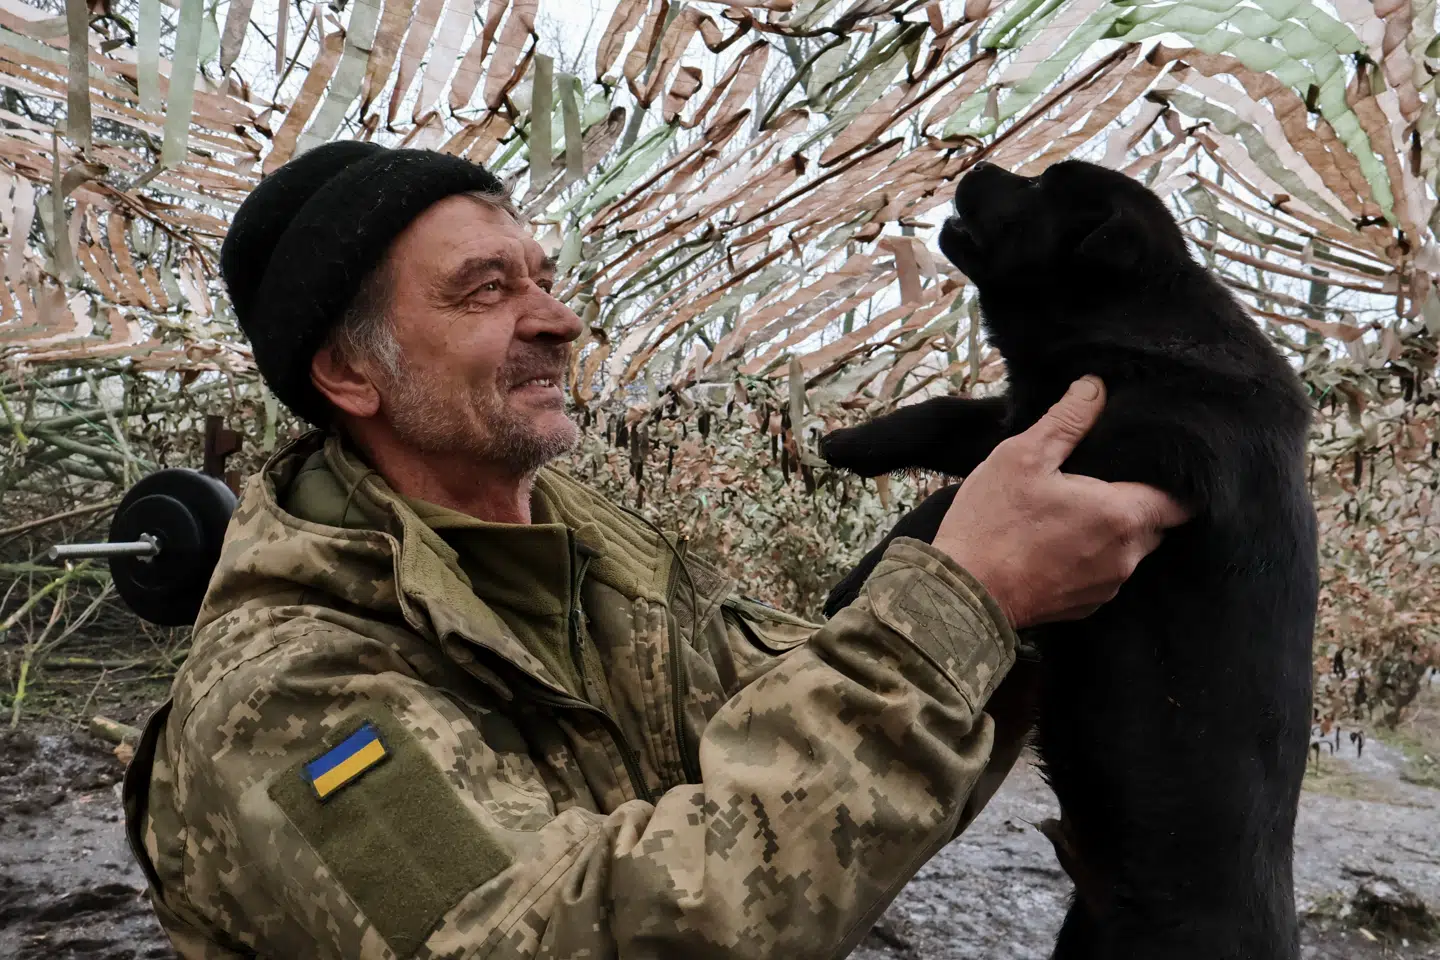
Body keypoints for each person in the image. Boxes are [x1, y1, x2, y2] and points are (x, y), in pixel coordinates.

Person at [122, 142, 1189, 959]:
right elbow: (565, 935)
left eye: (541, 276)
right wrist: (966, 602)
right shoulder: (285, 700)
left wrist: (1022, 603)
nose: (560, 319)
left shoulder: (588, 552)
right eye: (486, 290)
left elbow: (777, 718)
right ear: (352, 376)